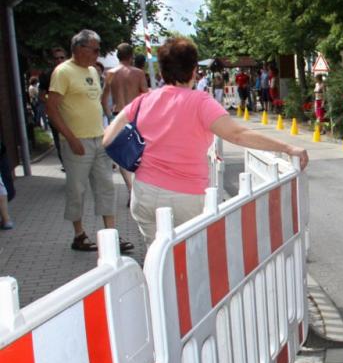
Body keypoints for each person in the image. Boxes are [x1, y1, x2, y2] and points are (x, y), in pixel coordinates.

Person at [103, 37, 309, 247]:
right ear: (194, 70)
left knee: (156, 255)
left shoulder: (143, 101)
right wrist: (287, 147)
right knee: (189, 257)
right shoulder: (200, 102)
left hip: (144, 192)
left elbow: (108, 137)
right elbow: (237, 134)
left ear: (162, 71)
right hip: (185, 196)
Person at [46, 29, 134, 253]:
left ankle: (111, 235)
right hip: (77, 141)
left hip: (98, 139)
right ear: (79, 48)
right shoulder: (63, 72)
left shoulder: (93, 71)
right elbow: (52, 109)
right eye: (94, 50)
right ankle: (79, 235)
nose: (97, 54)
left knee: (106, 187)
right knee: (77, 190)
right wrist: (71, 138)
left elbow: (97, 101)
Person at [102, 42, 148, 204]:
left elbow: (103, 98)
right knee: (139, 151)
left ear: (118, 56)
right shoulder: (138, 73)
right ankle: (138, 187)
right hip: (135, 115)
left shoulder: (111, 73)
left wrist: (109, 116)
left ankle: (130, 188)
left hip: (118, 115)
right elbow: (146, 95)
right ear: (131, 56)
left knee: (122, 154)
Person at [38, 47, 68, 168]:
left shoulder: (73, 72)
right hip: (56, 115)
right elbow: (41, 95)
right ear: (52, 60)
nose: (59, 60)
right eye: (56, 58)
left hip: (73, 114)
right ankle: (65, 165)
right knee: (59, 141)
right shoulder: (47, 75)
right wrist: (52, 103)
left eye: (62, 57)